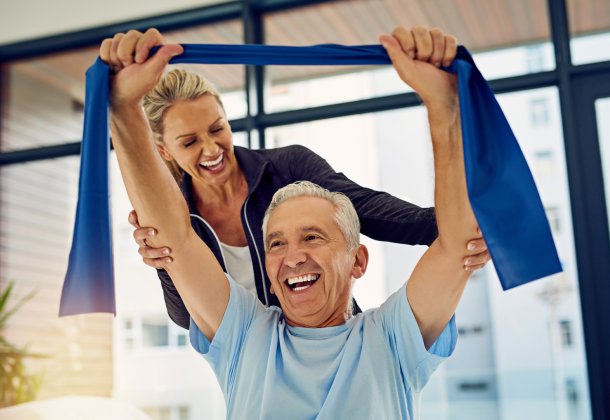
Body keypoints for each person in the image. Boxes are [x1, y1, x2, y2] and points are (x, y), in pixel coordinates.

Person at [107, 24, 486, 419]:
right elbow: (176, 243)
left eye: (312, 236)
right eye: (275, 243)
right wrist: (122, 108)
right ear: (165, 151)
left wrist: (446, 104)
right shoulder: (245, 336)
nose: (292, 257)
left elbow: (394, 220)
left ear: (358, 260)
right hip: (245, 338)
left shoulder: (389, 339)